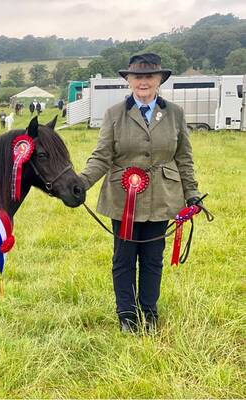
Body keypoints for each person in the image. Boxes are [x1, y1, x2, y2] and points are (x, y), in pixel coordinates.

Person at [78, 53, 203, 333]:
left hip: (162, 198)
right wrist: (81, 183)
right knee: (123, 258)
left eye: (149, 77)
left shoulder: (175, 114)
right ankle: (126, 315)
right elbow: (101, 157)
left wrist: (192, 193)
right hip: (123, 199)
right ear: (129, 81)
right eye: (137, 77)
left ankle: (149, 312)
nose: (143, 82)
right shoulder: (113, 114)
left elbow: (184, 158)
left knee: (152, 258)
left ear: (160, 80)